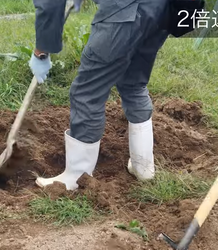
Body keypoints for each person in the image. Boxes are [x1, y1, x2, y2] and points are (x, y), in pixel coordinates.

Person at [29, 0, 170, 190]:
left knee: (87, 92)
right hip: (161, 11)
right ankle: (143, 167)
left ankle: (76, 178)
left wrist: (41, 51)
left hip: (126, 10)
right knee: (133, 83)